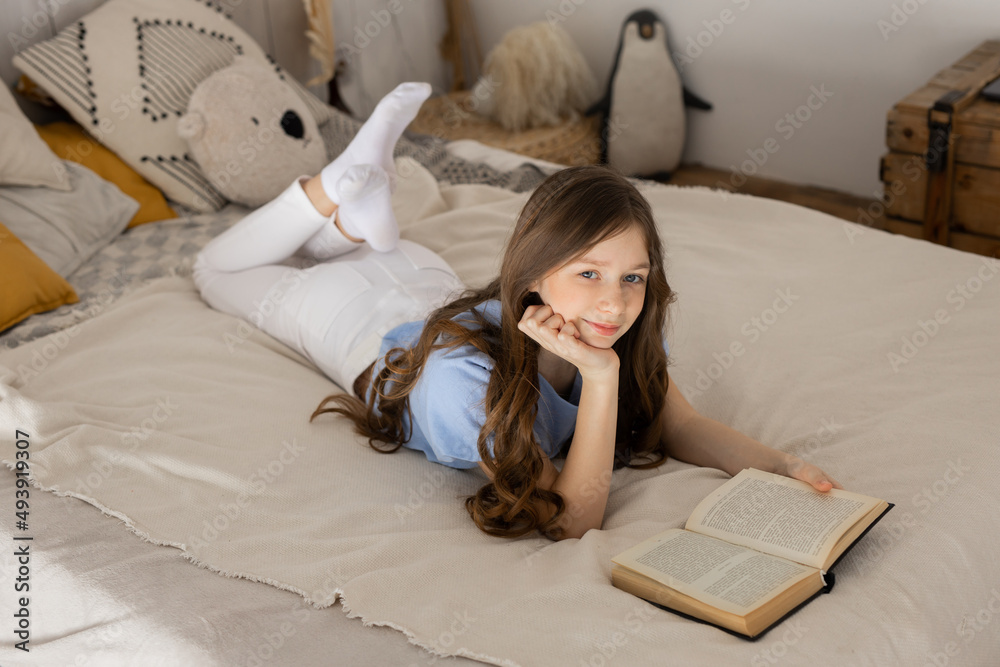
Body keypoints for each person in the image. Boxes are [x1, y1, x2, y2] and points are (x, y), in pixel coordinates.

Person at [194, 82, 842, 542]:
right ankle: (335, 190)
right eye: (588, 273)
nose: (615, 302)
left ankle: (358, 215)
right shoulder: (463, 388)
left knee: (325, 252)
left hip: (431, 282)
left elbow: (684, 425)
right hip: (360, 322)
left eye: (632, 277)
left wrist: (781, 465)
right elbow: (569, 517)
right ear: (534, 275)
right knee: (217, 271)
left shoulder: (613, 323)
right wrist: (602, 378)